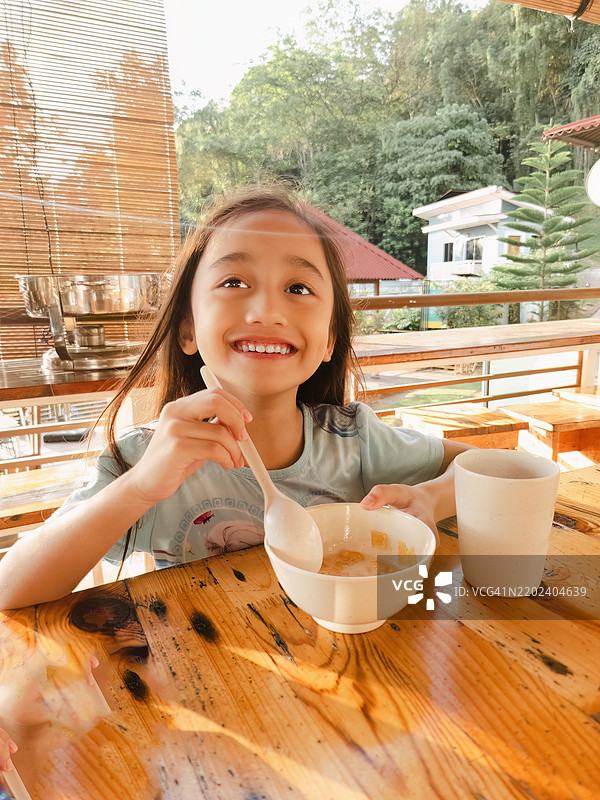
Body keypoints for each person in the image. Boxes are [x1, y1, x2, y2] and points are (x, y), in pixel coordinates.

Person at [0, 186, 473, 610]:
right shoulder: (147, 460)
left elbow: (483, 467)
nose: (267, 309)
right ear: (187, 327)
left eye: (298, 288)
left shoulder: (353, 438)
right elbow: (11, 587)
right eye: (234, 282)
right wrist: (141, 487)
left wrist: (430, 499)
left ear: (330, 340)